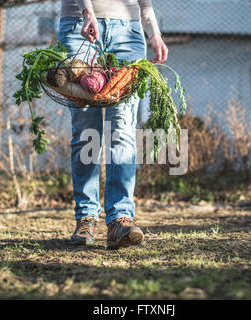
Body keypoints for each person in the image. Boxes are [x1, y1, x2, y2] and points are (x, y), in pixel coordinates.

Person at [59, 0, 168, 249]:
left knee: (123, 130)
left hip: (128, 33)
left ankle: (120, 220)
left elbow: (144, 3)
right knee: (87, 130)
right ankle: (86, 218)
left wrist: (154, 33)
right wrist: (88, 11)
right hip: (79, 27)